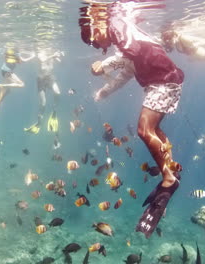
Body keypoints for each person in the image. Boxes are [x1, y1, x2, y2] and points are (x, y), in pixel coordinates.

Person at [80, 0, 183, 238]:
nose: (100, 47)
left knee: (144, 130)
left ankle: (168, 177)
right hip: (163, 82)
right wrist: (101, 90)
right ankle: (170, 170)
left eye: (96, 41)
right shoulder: (125, 46)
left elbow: (130, 49)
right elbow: (123, 72)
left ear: (98, 28)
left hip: (164, 82)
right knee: (154, 130)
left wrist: (116, 30)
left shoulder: (120, 30)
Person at [0, 45, 35, 121]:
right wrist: (32, 56)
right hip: (8, 72)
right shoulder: (16, 52)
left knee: (7, 92)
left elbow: (17, 62)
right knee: (21, 84)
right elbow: (23, 61)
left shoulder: (10, 52)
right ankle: (2, 86)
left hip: (5, 71)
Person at [24, 48, 64, 134]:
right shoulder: (40, 53)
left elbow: (60, 62)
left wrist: (59, 56)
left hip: (50, 77)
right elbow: (42, 59)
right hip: (41, 80)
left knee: (57, 92)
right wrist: (53, 55)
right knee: (43, 103)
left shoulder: (51, 53)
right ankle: (39, 122)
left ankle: (54, 111)